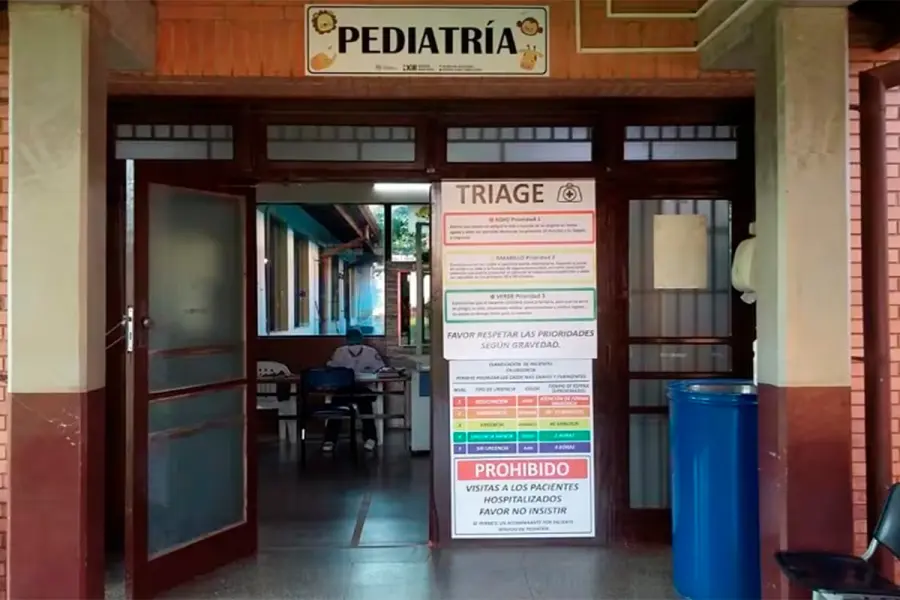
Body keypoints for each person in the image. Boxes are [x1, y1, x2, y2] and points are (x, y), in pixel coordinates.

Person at [322, 327, 385, 453]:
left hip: (344, 391)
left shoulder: (339, 351)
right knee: (365, 404)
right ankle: (370, 438)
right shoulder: (371, 351)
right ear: (361, 338)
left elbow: (331, 368)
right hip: (363, 389)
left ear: (346, 339)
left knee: (336, 406)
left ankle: (330, 440)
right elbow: (381, 369)